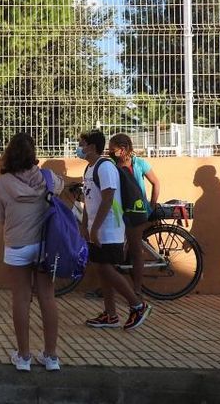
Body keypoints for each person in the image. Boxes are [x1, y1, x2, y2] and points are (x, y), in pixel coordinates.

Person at [0, 133, 61, 372]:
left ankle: (23, 357)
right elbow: (60, 194)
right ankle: (51, 357)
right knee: (47, 298)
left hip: (17, 245)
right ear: (33, 154)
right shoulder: (49, 178)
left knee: (21, 299)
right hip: (45, 246)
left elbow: (0, 217)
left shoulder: (2, 183)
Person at [78, 129, 152, 331]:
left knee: (106, 268)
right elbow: (89, 198)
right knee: (101, 269)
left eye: (82, 144)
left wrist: (96, 228)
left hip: (109, 228)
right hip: (96, 228)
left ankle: (137, 305)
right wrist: (85, 225)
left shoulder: (105, 168)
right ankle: (110, 315)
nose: (79, 149)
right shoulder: (89, 169)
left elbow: (109, 197)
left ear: (92, 146)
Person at [108, 133, 160, 297]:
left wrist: (150, 206)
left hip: (137, 212)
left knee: (135, 250)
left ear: (122, 150)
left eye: (112, 149)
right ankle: (111, 284)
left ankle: (137, 289)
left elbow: (156, 182)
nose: (110, 152)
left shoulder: (139, 164)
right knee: (116, 249)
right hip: (119, 211)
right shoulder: (112, 165)